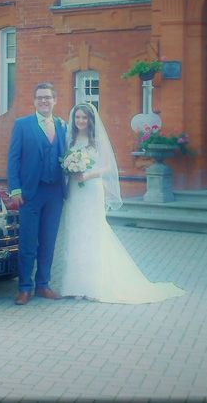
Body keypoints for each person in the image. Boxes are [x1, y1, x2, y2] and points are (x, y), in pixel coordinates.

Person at [52, 103, 185, 304]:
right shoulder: (69, 140)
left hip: (91, 190)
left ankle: (92, 285)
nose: (80, 121)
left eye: (84, 118)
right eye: (77, 117)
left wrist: (87, 174)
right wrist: (71, 169)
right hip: (74, 192)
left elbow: (107, 166)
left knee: (92, 234)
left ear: (90, 120)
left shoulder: (96, 140)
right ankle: (74, 285)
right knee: (75, 234)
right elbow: (63, 163)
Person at [7, 82, 68, 305]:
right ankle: (25, 287)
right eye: (40, 97)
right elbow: (13, 158)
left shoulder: (62, 126)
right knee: (28, 242)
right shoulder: (23, 125)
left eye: (48, 97)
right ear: (34, 101)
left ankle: (43, 285)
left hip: (55, 193)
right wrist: (15, 189)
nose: (44, 101)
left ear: (55, 100)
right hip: (30, 194)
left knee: (49, 241)